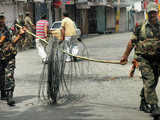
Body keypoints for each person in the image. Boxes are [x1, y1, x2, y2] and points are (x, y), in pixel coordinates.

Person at [120, 2, 160, 117]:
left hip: (157, 59)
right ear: (147, 14)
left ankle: (143, 102)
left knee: (153, 82)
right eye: (150, 13)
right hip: (143, 59)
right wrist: (125, 56)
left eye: (154, 12)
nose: (152, 15)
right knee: (150, 80)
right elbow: (131, 42)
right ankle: (154, 106)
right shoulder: (140, 26)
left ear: (157, 13)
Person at [0, 15, 26, 106]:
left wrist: (20, 35)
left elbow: (13, 42)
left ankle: (9, 95)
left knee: (9, 75)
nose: (2, 20)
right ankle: (3, 93)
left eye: (2, 18)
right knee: (1, 76)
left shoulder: (7, 30)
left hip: (8, 56)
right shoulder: (5, 31)